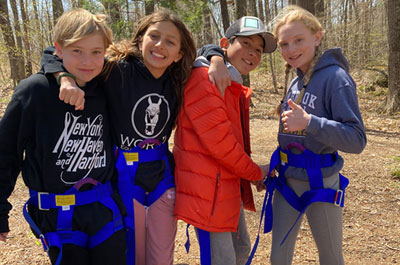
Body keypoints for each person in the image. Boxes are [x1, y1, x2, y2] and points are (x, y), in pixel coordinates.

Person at [40, 9, 197, 265]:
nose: (160, 45)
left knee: (161, 255)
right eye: (154, 36)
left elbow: (214, 54)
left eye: (170, 41)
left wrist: (212, 56)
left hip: (162, 178)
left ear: (179, 54)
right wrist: (65, 79)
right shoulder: (117, 71)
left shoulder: (179, 78)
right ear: (140, 39)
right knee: (130, 253)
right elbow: (52, 52)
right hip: (123, 177)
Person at [0, 9, 127, 265]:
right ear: (58, 50)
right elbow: (6, 153)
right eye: (76, 51)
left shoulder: (107, 85)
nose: (87, 62)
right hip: (58, 216)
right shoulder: (34, 92)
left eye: (96, 52)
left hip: (104, 211)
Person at [261, 5, 367, 265]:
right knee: (278, 258)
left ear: (317, 37)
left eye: (299, 40)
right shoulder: (297, 78)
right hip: (287, 180)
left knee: (331, 258)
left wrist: (310, 122)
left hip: (321, 181)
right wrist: (274, 165)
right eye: (284, 44)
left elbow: (356, 139)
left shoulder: (336, 78)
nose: (291, 50)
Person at [173, 16, 276, 265]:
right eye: (245, 43)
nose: (252, 53)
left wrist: (249, 175)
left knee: (241, 252)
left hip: (224, 186)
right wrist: (256, 173)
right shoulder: (205, 79)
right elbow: (223, 147)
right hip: (208, 192)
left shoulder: (229, 82)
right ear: (225, 44)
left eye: (258, 50)